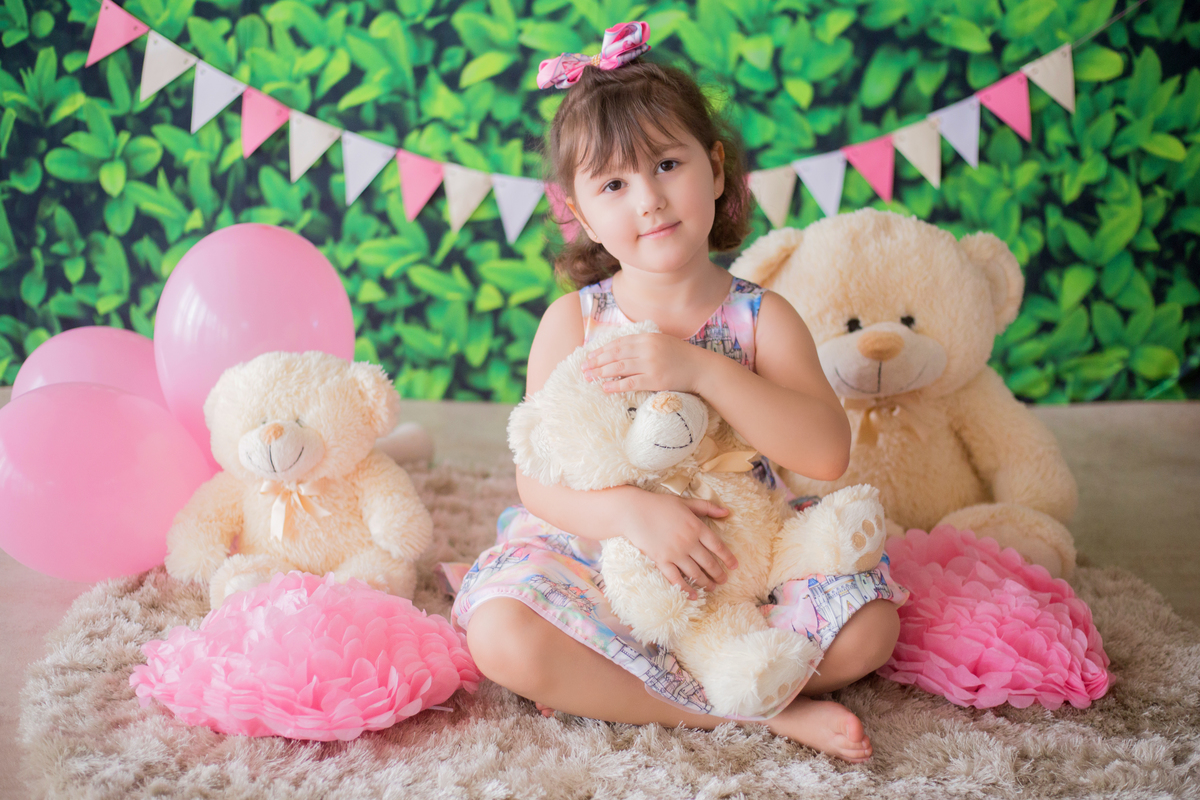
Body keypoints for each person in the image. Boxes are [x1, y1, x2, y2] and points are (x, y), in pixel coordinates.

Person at [447, 22, 907, 763]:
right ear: (579, 210)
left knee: (870, 632)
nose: (650, 200)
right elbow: (537, 482)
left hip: (737, 556)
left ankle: (651, 681)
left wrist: (700, 370)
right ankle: (753, 714)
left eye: (667, 164)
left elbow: (825, 454)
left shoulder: (762, 318)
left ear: (717, 170)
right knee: (502, 638)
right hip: (604, 553)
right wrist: (631, 513)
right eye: (614, 185)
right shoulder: (574, 321)